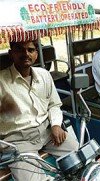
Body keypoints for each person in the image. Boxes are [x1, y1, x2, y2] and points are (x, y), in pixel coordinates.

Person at [0, 40, 79, 180]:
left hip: (47, 132)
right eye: (19, 49)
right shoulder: (1, 80)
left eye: (30, 50)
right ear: (11, 54)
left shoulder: (44, 75)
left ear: (36, 54)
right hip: (18, 142)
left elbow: (54, 104)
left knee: (78, 154)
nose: (26, 54)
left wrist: (55, 124)